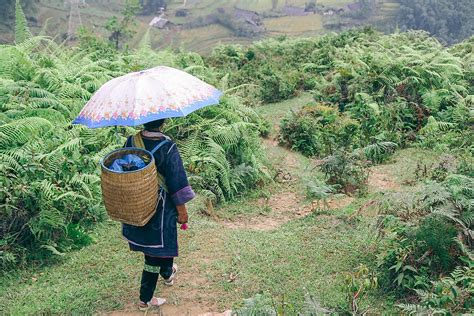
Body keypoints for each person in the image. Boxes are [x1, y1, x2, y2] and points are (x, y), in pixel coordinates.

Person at [121, 118, 195, 310]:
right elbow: (176, 181)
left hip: (137, 206)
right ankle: (145, 299)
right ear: (164, 122)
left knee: (156, 248)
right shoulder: (168, 146)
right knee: (155, 253)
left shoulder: (131, 141)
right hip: (161, 209)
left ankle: (168, 273)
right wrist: (182, 211)